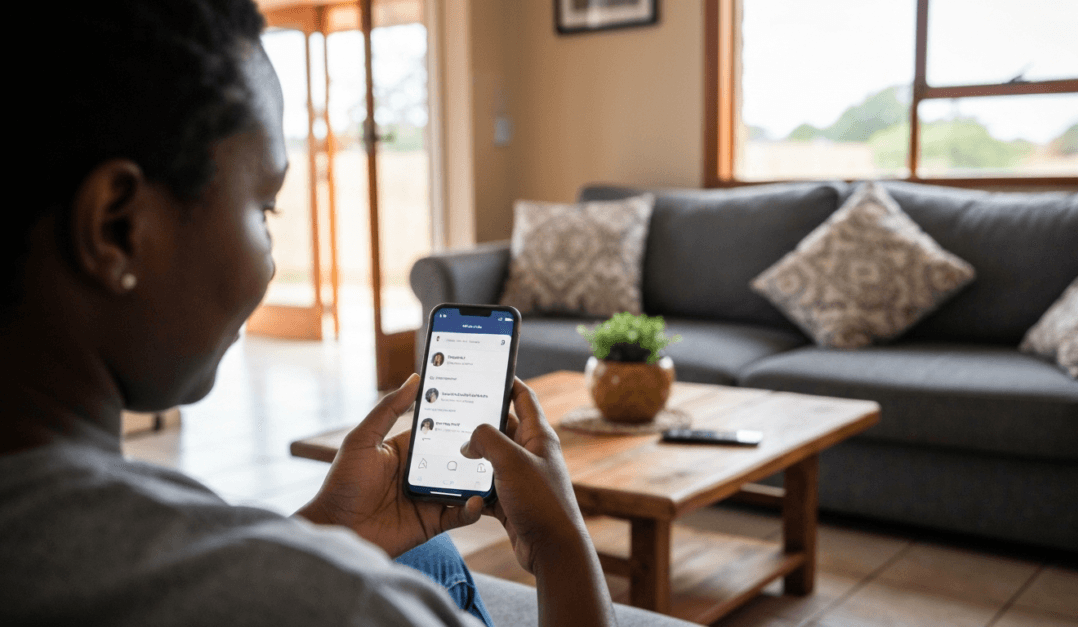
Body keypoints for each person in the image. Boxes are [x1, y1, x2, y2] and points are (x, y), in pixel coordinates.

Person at [0, 2, 616, 626]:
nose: (270, 264)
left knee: (427, 550)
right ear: (118, 227)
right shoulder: (347, 605)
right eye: (265, 208)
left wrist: (324, 529)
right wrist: (561, 544)